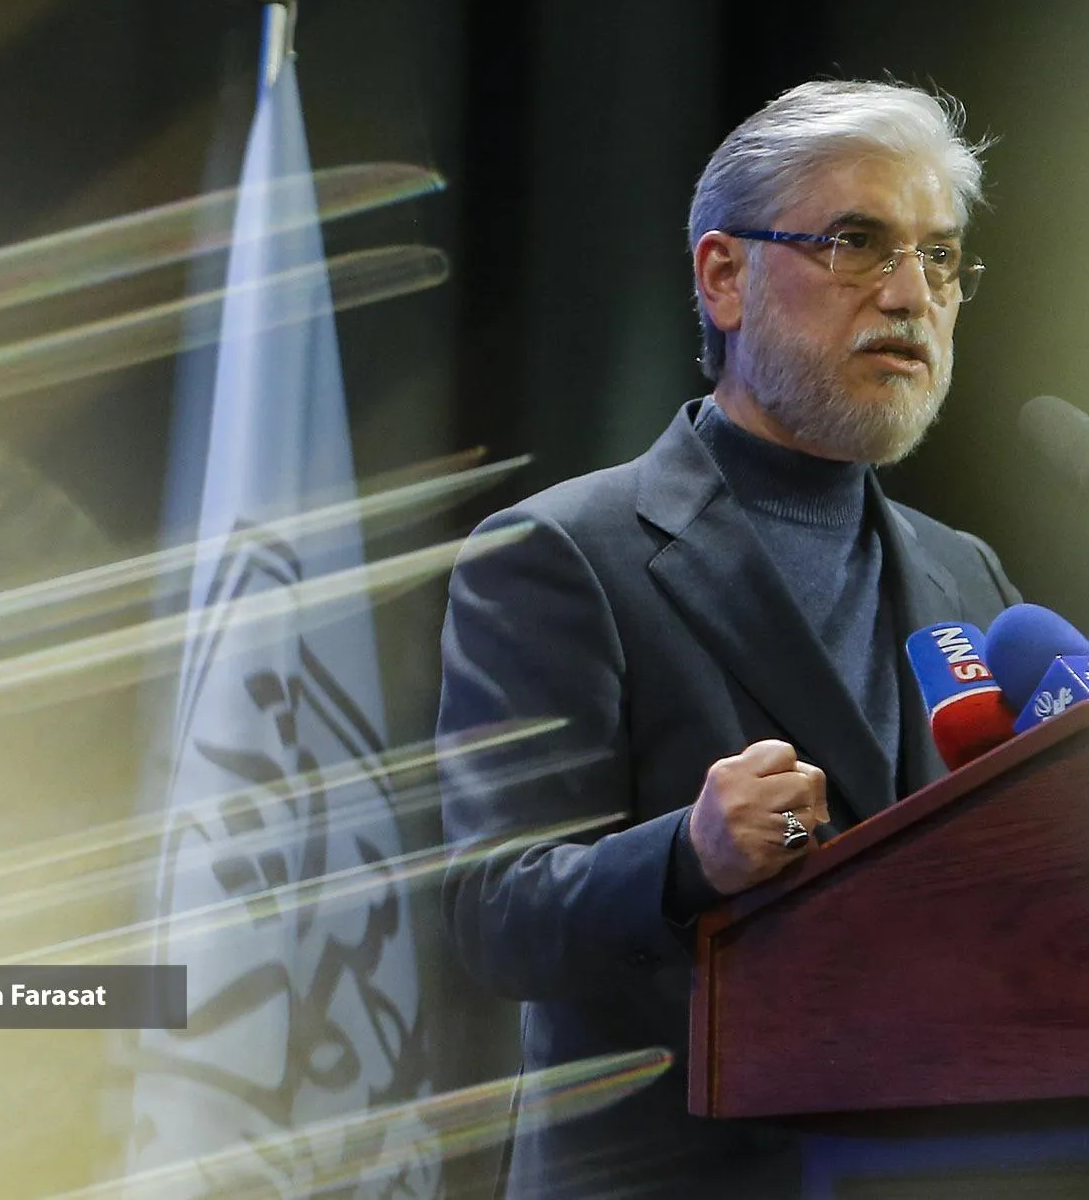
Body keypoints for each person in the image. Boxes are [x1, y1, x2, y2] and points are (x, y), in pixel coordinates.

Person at [436, 79, 1021, 1198]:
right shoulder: (563, 554)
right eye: (857, 242)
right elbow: (494, 914)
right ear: (723, 277)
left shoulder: (967, 573)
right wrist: (686, 858)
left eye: (939, 257)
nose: (910, 294)